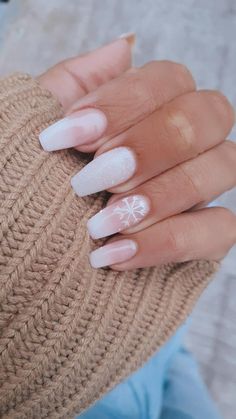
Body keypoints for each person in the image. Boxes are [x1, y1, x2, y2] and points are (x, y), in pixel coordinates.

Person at [0, 34, 235, 418]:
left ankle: (165, 345)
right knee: (165, 366)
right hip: (110, 362)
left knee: (162, 357)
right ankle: (166, 345)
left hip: (116, 348)